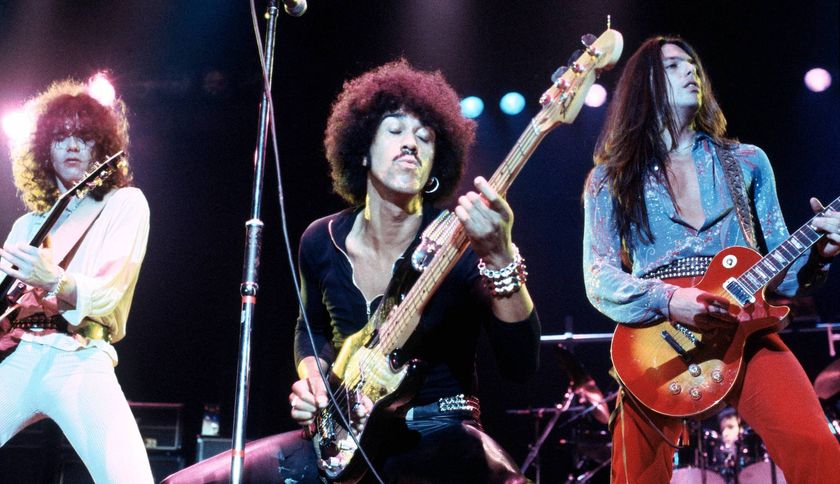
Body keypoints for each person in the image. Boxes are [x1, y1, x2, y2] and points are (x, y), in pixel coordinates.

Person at [164, 60, 540, 483]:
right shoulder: (319, 240)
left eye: (425, 137)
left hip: (440, 430)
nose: (411, 144)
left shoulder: (458, 240)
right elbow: (311, 330)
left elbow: (521, 364)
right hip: (344, 436)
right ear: (361, 148)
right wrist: (313, 382)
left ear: (437, 163)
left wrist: (501, 258)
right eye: (395, 130)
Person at [582, 36, 840, 483]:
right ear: (644, 86)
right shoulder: (611, 177)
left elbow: (782, 272)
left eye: (693, 65)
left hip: (744, 325)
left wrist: (819, 252)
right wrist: (669, 300)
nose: (691, 72)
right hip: (655, 339)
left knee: (819, 452)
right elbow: (599, 275)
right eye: (674, 66)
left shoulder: (747, 162)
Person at [0, 79, 153, 483]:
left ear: (100, 147)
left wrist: (52, 280)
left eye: (83, 138)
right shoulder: (27, 224)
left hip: (81, 357)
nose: (71, 146)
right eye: (61, 137)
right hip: (23, 354)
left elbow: (107, 297)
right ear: (43, 150)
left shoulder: (125, 204)